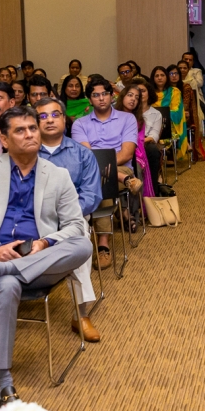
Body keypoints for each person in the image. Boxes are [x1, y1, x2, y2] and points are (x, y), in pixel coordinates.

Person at [0, 107, 94, 405]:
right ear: (4, 139)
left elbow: (74, 225)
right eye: (21, 130)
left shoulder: (57, 175)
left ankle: (4, 271)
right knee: (5, 286)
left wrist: (46, 242)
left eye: (33, 127)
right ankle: (3, 381)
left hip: (35, 261)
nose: (30, 134)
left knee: (83, 245)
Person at [35, 97, 104, 343]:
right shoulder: (25, 152)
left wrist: (65, 214)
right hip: (31, 219)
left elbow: (91, 195)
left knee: (79, 242)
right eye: (42, 116)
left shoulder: (82, 154)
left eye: (55, 114)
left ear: (65, 119)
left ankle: (80, 314)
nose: (50, 120)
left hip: (71, 218)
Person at [71, 78, 139, 269]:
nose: (101, 98)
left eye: (105, 94)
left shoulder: (127, 119)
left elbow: (127, 153)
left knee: (100, 181)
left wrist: (103, 165)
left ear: (111, 96)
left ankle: (102, 246)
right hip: (90, 171)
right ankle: (124, 183)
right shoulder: (79, 124)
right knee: (97, 177)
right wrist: (99, 165)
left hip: (121, 167)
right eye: (95, 95)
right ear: (89, 99)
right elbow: (87, 157)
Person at [152, 66, 185, 156]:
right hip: (151, 123)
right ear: (153, 78)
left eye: (162, 75)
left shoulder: (175, 91)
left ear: (166, 77)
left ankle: (166, 153)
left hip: (169, 123)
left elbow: (176, 111)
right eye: (157, 76)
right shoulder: (149, 93)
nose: (159, 78)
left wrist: (160, 115)